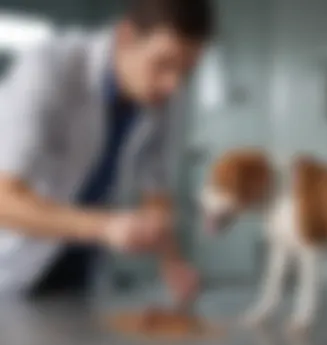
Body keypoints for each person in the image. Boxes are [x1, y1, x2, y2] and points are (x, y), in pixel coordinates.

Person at [0, 0, 213, 301]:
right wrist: (105, 226)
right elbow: (4, 200)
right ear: (126, 36)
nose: (174, 85)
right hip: (8, 271)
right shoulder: (48, 69)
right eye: (163, 63)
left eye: (186, 71)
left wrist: (172, 262)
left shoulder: (164, 96)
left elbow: (156, 192)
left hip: (80, 278)